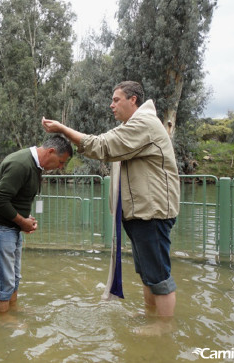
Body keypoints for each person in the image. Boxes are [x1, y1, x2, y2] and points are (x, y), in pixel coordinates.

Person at [42, 81, 180, 334]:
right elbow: (107, 144)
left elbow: (102, 146)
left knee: (158, 273)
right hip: (138, 213)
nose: (111, 105)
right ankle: (151, 315)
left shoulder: (145, 124)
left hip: (151, 212)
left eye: (116, 100)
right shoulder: (132, 126)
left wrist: (62, 128)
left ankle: (164, 326)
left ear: (133, 100)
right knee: (147, 271)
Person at [0, 135, 73, 315]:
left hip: (9, 227)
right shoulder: (21, 165)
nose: (60, 167)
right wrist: (22, 221)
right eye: (61, 162)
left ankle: (12, 310)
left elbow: (14, 198)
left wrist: (25, 217)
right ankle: (2, 321)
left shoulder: (33, 165)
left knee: (14, 276)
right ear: (51, 152)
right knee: (3, 278)